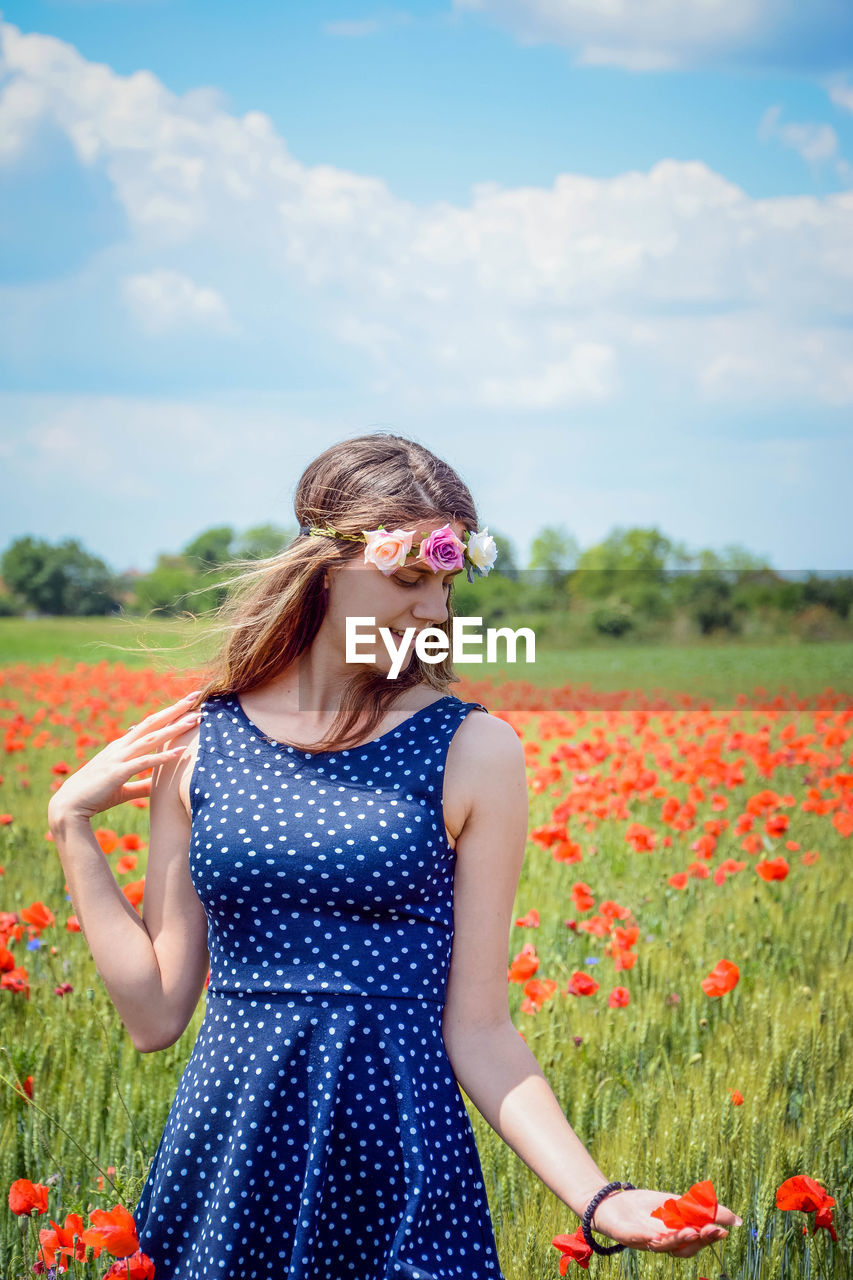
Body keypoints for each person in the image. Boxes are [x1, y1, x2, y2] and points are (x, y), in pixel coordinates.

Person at [47, 432, 742, 1278]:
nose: (435, 612)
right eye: (410, 579)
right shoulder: (201, 741)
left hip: (398, 1159)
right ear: (325, 566)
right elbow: (155, 1013)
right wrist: (70, 825)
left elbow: (481, 1029)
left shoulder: (472, 749)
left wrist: (597, 1199)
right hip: (229, 1151)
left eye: (447, 582)